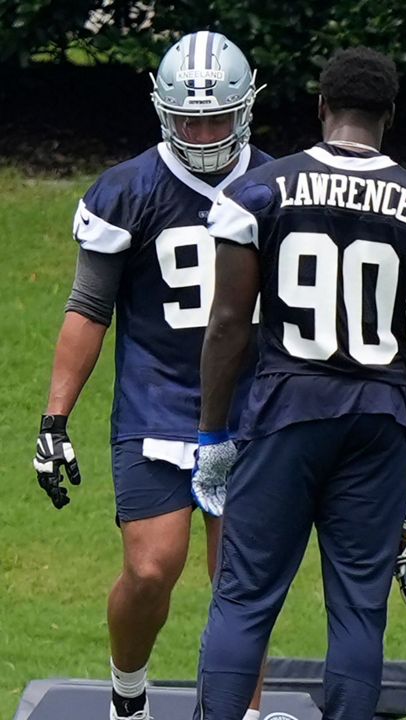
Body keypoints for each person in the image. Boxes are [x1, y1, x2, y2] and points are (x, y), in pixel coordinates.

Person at [188, 47, 406, 720]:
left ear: (322, 108)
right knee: (358, 610)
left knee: (243, 597)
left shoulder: (260, 192)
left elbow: (229, 326)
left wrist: (212, 434)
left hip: (287, 406)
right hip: (378, 418)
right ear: (389, 117)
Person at [31, 31, 269, 720]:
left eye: (215, 117)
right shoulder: (127, 188)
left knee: (241, 581)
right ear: (163, 111)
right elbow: (88, 307)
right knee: (149, 569)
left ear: (245, 108)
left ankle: (242, 714)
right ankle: (127, 693)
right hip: (158, 402)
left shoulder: (278, 183)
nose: (201, 132)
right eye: (187, 117)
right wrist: (54, 417)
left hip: (253, 407)